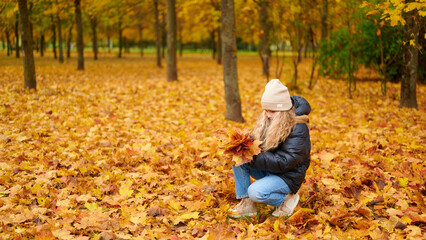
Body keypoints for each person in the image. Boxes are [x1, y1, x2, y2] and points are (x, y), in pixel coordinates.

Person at [229, 79, 311, 218]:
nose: (268, 115)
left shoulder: (298, 128)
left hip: (288, 176)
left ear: (283, 110)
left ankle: (286, 200)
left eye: (272, 111)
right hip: (271, 169)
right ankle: (247, 204)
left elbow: (286, 161)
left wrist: (252, 157)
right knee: (238, 159)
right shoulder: (270, 120)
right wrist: (244, 146)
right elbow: (258, 145)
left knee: (256, 192)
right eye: (266, 110)